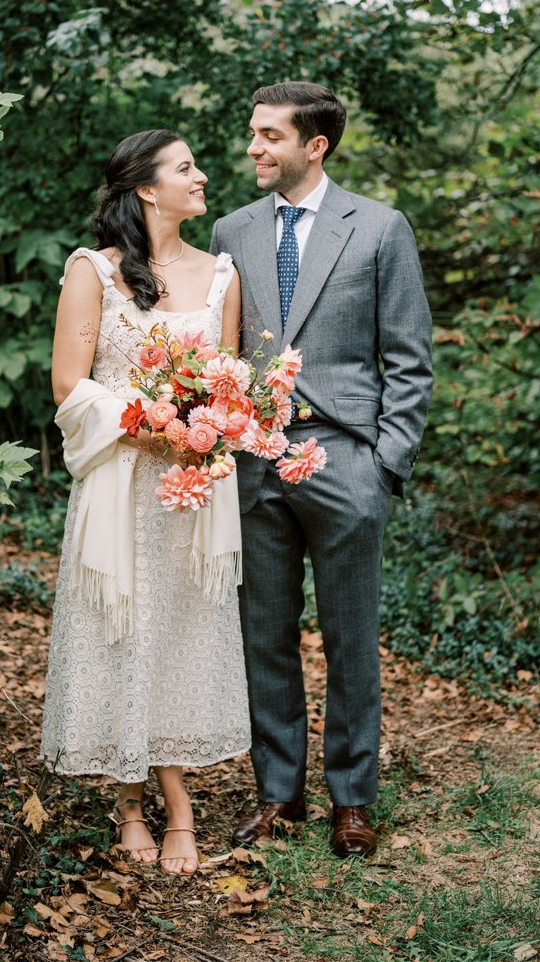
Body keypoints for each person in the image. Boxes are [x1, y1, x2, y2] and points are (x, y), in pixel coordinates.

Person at [210, 82, 433, 858]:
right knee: (263, 634)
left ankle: (352, 799)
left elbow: (409, 361)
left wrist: (384, 466)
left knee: (350, 638)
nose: (253, 148)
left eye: (269, 135)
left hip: (344, 459)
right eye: (252, 132)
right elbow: (218, 348)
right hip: (253, 461)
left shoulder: (379, 228)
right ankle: (279, 794)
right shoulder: (230, 231)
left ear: (315, 145)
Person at [41, 129, 250, 876]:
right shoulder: (92, 271)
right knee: (122, 627)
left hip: (188, 489)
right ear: (146, 188)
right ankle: (135, 803)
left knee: (180, 633)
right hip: (119, 480)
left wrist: (202, 429)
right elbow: (71, 382)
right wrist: (145, 423)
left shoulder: (222, 274)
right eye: (186, 168)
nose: (203, 177)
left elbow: (227, 380)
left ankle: (181, 803)